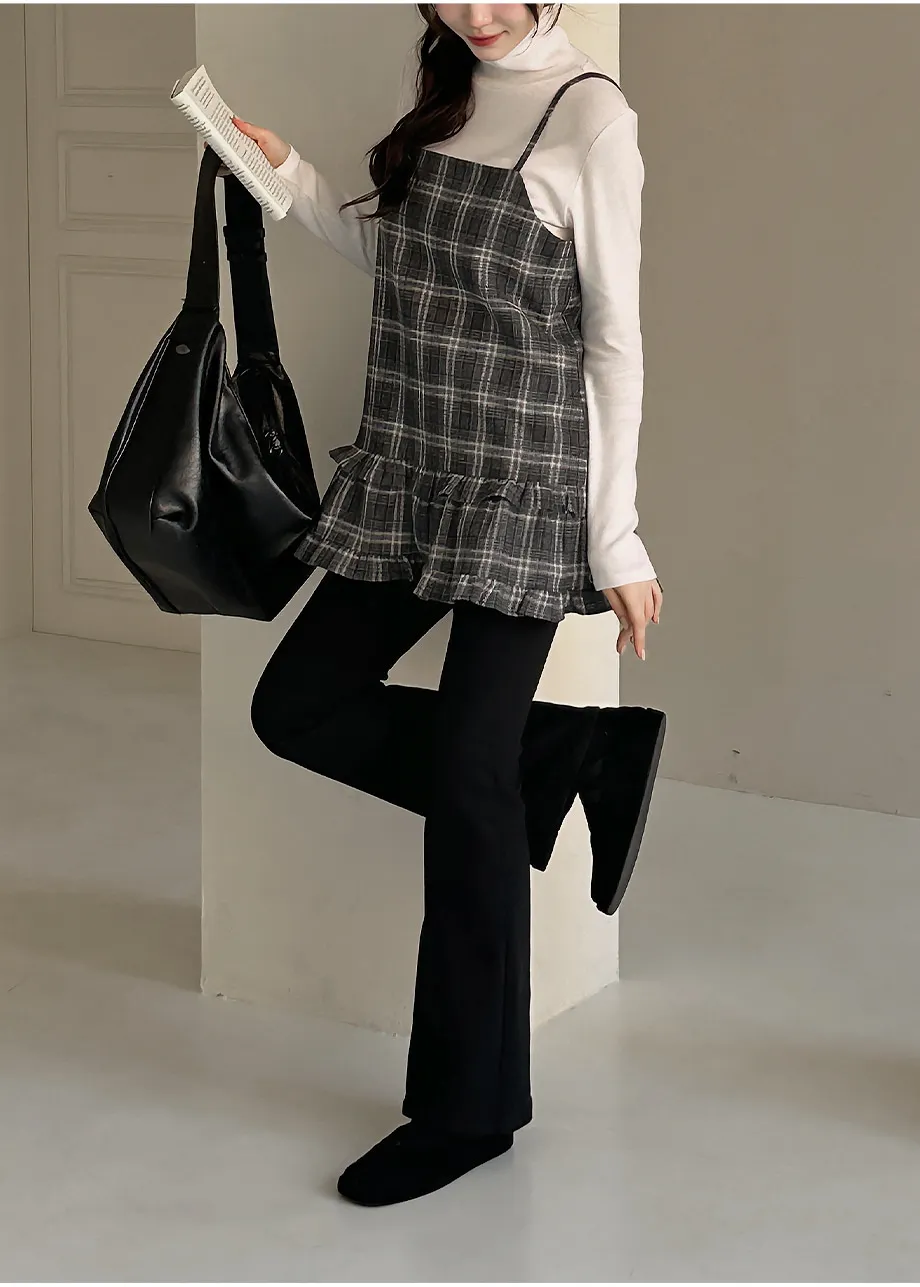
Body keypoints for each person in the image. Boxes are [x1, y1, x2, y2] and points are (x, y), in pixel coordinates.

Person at [241, 2, 665, 1207]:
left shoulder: (590, 118)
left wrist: (616, 537)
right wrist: (289, 178)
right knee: (298, 706)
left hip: (525, 482)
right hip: (412, 460)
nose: (473, 13)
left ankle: (467, 1111)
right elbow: (410, 268)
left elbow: (613, 343)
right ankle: (571, 752)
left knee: (469, 792)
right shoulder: (446, 91)